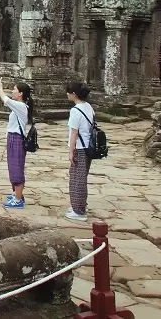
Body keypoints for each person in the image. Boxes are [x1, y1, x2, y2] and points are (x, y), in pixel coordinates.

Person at [0, 78, 34, 208]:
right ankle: (16, 193)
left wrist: (0, 87)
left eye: (14, 90)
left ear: (21, 93)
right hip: (13, 138)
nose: (12, 91)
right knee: (13, 166)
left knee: (17, 167)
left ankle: (18, 199)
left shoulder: (21, 106)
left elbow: (5, 99)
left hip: (17, 139)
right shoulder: (19, 106)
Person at [66, 82, 95, 221]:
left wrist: (71, 152)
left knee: (77, 179)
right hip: (88, 147)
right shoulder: (88, 107)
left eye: (69, 92)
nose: (67, 94)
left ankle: (79, 211)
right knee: (81, 177)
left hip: (79, 147)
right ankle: (79, 205)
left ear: (74, 94)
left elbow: (74, 133)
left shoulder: (75, 110)